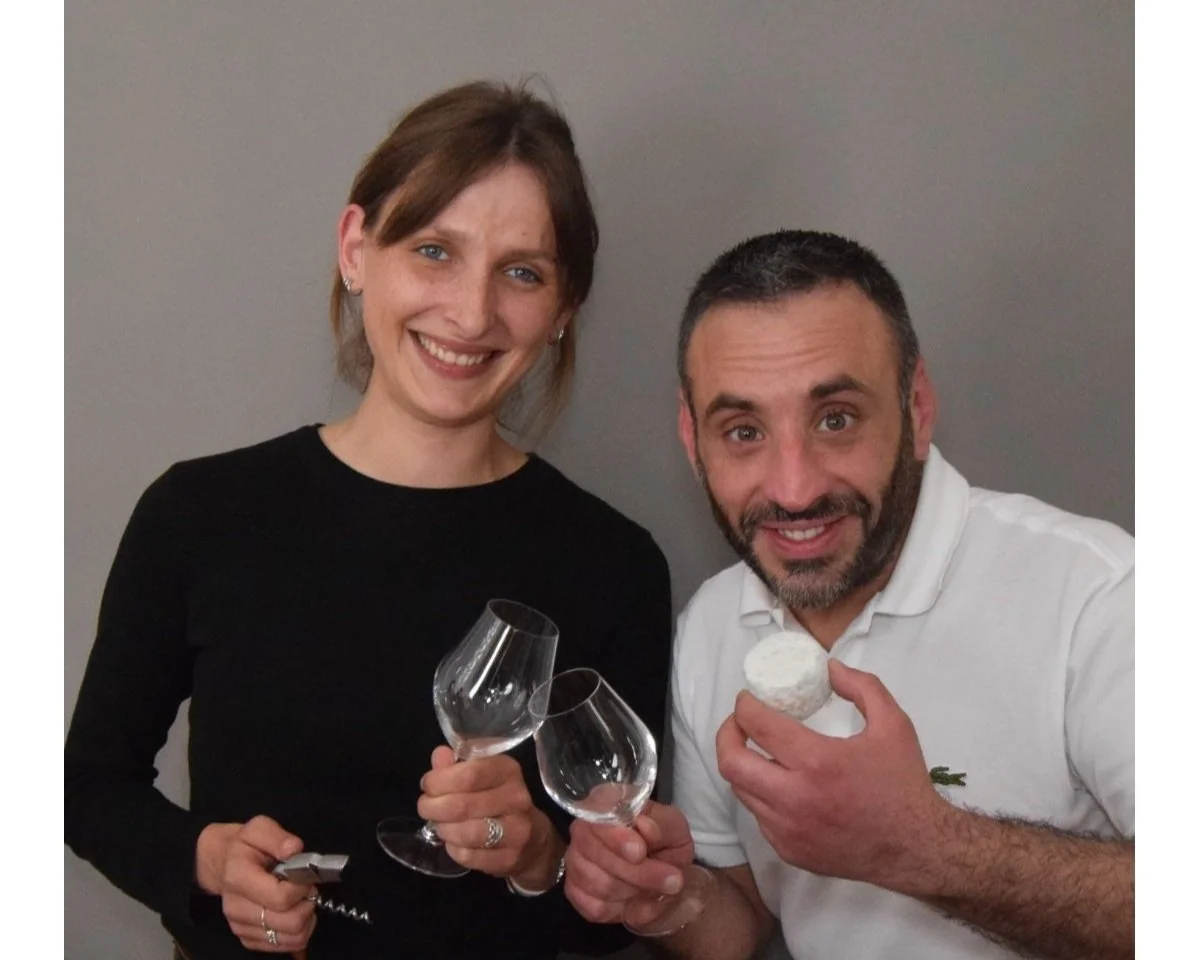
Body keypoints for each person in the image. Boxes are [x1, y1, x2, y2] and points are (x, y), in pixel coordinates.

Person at [64, 79, 673, 960]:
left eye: (521, 272)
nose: (470, 313)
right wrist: (203, 860)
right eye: (433, 250)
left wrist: (538, 858)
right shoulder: (199, 515)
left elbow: (610, 907)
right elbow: (86, 786)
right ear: (357, 250)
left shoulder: (614, 564)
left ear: (562, 311)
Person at [563, 230, 1133, 960]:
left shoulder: (1097, 594)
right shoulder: (712, 623)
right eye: (742, 431)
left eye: (835, 419)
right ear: (691, 438)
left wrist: (922, 846)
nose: (794, 488)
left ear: (917, 407)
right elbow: (738, 922)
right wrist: (666, 898)